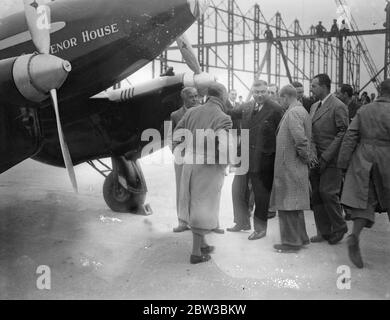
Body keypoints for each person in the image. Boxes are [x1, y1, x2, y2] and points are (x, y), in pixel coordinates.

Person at [173, 83, 233, 264]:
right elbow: (224, 149)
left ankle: (203, 243)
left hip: (189, 165)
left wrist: (186, 153)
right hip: (208, 168)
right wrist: (224, 165)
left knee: (194, 203)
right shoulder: (223, 117)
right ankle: (196, 253)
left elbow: (176, 135)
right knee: (204, 206)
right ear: (222, 96)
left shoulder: (191, 111)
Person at [338, 79, 390, 268]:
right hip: (386, 159)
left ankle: (355, 236)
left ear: (380, 91)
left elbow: (350, 136)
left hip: (363, 159)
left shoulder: (364, 110)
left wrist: (343, 163)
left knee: (364, 202)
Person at [227, 80, 283, 240]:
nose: (259, 95)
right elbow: (229, 112)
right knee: (237, 190)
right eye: (256, 91)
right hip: (243, 156)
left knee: (261, 195)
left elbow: (280, 135)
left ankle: (260, 229)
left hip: (263, 159)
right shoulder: (246, 106)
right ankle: (241, 222)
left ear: (267, 92)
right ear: (252, 91)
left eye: (262, 91)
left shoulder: (276, 109)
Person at [271, 85, 313, 253]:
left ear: (286, 97)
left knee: (287, 205)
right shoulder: (300, 110)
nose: (278, 102)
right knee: (294, 204)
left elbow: (301, 140)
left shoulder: (294, 112)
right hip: (293, 165)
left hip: (290, 166)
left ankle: (291, 242)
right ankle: (301, 237)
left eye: (279, 98)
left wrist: (304, 159)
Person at [309, 74, 349, 245]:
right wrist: (312, 155)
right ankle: (324, 231)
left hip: (331, 159)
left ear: (324, 87)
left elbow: (343, 132)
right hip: (315, 159)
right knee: (316, 195)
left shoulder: (338, 106)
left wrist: (326, 156)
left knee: (328, 192)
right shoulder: (313, 107)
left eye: (314, 86)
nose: (311, 89)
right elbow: (310, 132)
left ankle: (340, 227)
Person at [170, 87, 199, 233]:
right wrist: (176, 150)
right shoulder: (175, 115)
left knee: (198, 189)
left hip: (199, 157)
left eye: (196, 96)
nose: (195, 99)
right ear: (184, 99)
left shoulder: (203, 112)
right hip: (181, 157)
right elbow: (171, 136)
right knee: (181, 190)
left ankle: (198, 222)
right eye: (191, 97)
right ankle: (182, 222)